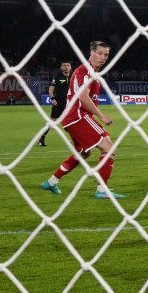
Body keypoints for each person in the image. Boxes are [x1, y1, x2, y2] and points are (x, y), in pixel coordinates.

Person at [40, 41, 125, 199]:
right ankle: (101, 190)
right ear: (91, 53)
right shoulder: (86, 71)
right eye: (100, 53)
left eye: (106, 54)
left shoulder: (92, 71)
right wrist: (102, 116)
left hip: (73, 117)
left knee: (84, 153)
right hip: (78, 116)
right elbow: (83, 97)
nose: (103, 57)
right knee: (109, 147)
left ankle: (51, 182)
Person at [38, 61, 72, 146]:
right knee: (52, 121)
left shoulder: (73, 76)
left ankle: (76, 140)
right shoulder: (58, 77)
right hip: (59, 103)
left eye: (68, 65)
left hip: (70, 103)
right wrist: (53, 99)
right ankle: (41, 139)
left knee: (73, 121)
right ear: (61, 68)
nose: (66, 67)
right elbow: (51, 89)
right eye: (64, 65)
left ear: (70, 67)